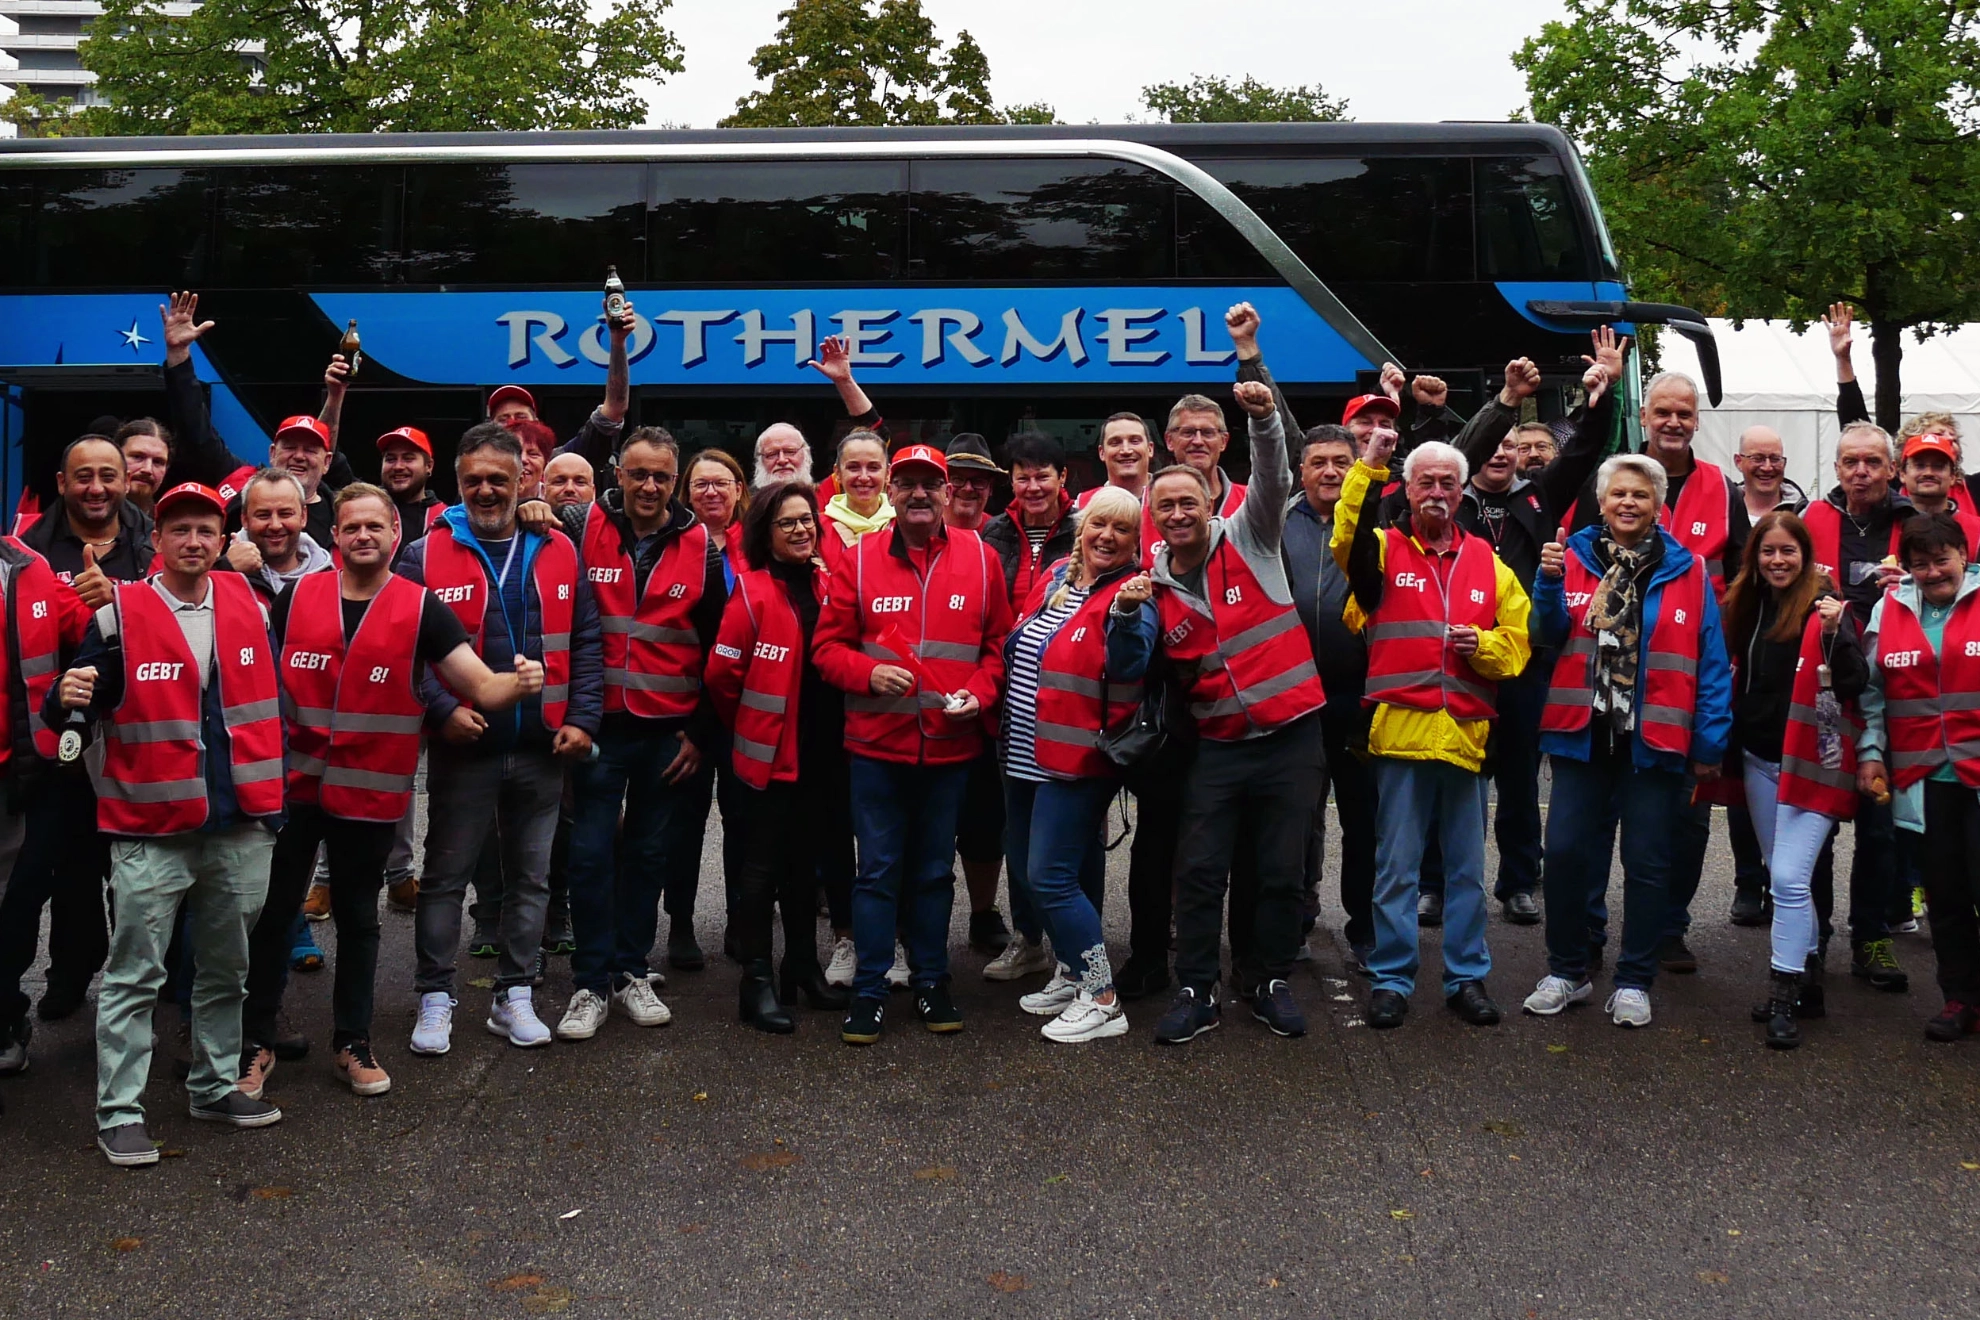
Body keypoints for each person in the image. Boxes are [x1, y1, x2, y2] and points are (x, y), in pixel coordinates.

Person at [245, 484, 543, 1096]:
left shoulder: (422, 608)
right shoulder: (296, 598)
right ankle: (255, 1043)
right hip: (292, 793)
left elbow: (482, 689)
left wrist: (523, 683)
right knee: (272, 917)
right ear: (334, 537)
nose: (363, 536)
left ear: (394, 536)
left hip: (368, 799)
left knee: (358, 920)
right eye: (351, 527)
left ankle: (352, 1043)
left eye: (374, 527)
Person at [50, 482, 288, 1165]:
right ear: (156, 540)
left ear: (223, 540)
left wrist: (271, 814)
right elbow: (71, 706)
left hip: (240, 822)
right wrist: (59, 701)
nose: (193, 540)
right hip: (150, 829)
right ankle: (120, 1113)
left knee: (224, 970)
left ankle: (213, 1086)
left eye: (205, 530)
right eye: (178, 528)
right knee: (135, 978)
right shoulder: (118, 613)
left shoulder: (254, 603)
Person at [396, 425, 603, 1054]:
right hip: (465, 744)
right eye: (472, 480)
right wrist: (439, 712)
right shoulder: (421, 554)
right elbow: (405, 652)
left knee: (531, 878)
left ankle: (515, 993)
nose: (486, 490)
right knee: (444, 878)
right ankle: (435, 997)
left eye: (500, 479)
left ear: (525, 482)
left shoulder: (561, 548)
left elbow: (589, 642)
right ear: (456, 484)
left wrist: (583, 719)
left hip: (543, 745)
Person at [1523, 454, 1732, 1029]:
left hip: (1654, 741)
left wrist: (1710, 742)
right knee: (1564, 855)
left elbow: (1710, 661)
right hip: (1581, 737)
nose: (1629, 504)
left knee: (1646, 865)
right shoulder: (1569, 558)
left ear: (1659, 504)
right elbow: (1545, 635)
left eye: (1641, 495)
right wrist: (1545, 585)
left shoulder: (1687, 570)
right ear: (1602, 500)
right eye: (1618, 494)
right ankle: (1567, 971)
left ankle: (1635, 979)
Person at [1147, 377, 1326, 1045]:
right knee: (1198, 871)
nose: (1178, 513)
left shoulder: (1251, 538)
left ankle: (1268, 979)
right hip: (1219, 746)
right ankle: (1196, 988)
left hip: (1291, 736)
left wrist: (1265, 419)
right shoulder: (1154, 589)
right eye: (1165, 505)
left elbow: (1276, 475)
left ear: (1210, 502)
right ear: (1154, 515)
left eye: (1188, 501)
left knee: (1281, 869)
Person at [814, 443, 1012, 1045]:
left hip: (949, 749)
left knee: (931, 874)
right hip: (878, 747)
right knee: (875, 874)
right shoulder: (859, 559)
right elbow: (826, 649)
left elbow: (998, 647)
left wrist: (980, 692)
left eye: (932, 483)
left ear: (948, 493)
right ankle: (870, 991)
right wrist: (867, 673)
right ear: (891, 494)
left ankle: (932, 980)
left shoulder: (982, 559)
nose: (920, 493)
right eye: (908, 484)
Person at [1423, 336, 1624, 927]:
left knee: (1517, 779)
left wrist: (1602, 394)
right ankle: (1433, 885)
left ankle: (1518, 883)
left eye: (1513, 446)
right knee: (1450, 774)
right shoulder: (1448, 503)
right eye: (1494, 444)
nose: (1501, 453)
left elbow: (1585, 449)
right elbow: (1454, 448)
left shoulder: (1538, 497)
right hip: (1456, 658)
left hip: (1524, 660)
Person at [1338, 433, 1532, 1029]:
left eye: (1449, 482)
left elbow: (1519, 645)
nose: (1438, 492)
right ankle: (1392, 978)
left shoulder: (1489, 565)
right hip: (1399, 736)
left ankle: (1466, 977)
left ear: (1461, 491)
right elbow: (1345, 535)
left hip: (1466, 738)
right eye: (1427, 481)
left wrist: (1488, 646)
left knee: (1467, 872)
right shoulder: (1379, 550)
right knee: (1396, 868)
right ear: (1409, 488)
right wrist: (1368, 466)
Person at [546, 426, 725, 1038]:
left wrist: (701, 731)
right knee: (591, 855)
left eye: (662, 477)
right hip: (597, 726)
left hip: (668, 731)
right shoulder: (578, 525)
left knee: (650, 854)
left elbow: (720, 648)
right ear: (617, 474)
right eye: (638, 473)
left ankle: (630, 972)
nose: (649, 486)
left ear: (675, 483)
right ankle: (590, 985)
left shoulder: (702, 545)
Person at [997, 486, 1156, 1042]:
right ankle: (1072, 970)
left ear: (1137, 541)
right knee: (1030, 869)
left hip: (1077, 759)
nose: (1107, 537)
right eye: (1098, 525)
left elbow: (1131, 665)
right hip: (1023, 752)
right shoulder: (1059, 575)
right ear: (1081, 528)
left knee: (1051, 877)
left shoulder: (1132, 593)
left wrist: (1129, 615)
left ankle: (1103, 997)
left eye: (1122, 529)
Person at [10, 437, 155, 1024]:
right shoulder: (29, 552)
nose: (96, 488)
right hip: (60, 744)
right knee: (69, 870)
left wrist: (117, 599)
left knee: (139, 877)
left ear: (126, 481)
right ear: (62, 482)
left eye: (107, 476)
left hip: (141, 739)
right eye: (83, 477)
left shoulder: (153, 541)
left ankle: (145, 986)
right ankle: (71, 974)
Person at [705, 481, 851, 1031]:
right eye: (787, 522)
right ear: (766, 533)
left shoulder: (828, 584)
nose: (801, 530)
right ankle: (757, 981)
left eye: (806, 520)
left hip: (825, 752)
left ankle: (803, 969)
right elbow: (722, 675)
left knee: (802, 868)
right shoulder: (751, 590)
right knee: (760, 871)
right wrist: (750, 725)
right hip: (769, 757)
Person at [1719, 510, 1866, 1049]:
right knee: (1786, 880)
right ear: (1754, 558)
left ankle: (1783, 995)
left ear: (1805, 557)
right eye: (1767, 551)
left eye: (1788, 552)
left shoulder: (1825, 609)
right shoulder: (1747, 606)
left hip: (1813, 763)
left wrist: (1835, 635)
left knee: (1785, 880)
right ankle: (1810, 985)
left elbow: (1855, 680)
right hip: (1759, 761)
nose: (1777, 561)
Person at [1795, 420, 1913, 992]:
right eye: (1850, 462)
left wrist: (1909, 581)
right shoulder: (1810, 521)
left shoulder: (1916, 524)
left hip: (1891, 693)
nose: (1860, 472)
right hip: (1825, 686)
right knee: (1817, 819)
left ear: (1892, 468)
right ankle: (1811, 936)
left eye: (1872, 462)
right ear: (1836, 468)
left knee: (1880, 824)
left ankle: (1872, 936)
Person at [1857, 513, 1980, 1043]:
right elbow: (1870, 692)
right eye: (1921, 564)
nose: (1933, 573)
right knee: (1946, 896)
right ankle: (1960, 997)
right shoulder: (1890, 609)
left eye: (1942, 560)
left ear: (1964, 556)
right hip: (1925, 779)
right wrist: (1870, 753)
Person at [1280, 424, 1377, 973]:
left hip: (1361, 699)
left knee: (1365, 820)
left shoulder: (1374, 517)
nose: (1331, 472)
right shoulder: (1277, 520)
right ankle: (1295, 921)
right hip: (1296, 698)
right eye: (1319, 462)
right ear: (1302, 470)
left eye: (1341, 461)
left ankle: (1364, 928)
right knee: (1297, 818)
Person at [0, 529, 92, 1088]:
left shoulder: (28, 566)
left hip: (19, 774)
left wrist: (111, 600)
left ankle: (7, 1019)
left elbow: (88, 630)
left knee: (14, 904)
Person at [225, 468, 333, 600]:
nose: (275, 525)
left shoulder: (330, 581)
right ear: (245, 519)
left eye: (285, 514)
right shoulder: (220, 574)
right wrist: (226, 569)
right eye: (263, 515)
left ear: (303, 516)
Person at [819, 430, 892, 567]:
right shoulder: (817, 529)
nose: (864, 477)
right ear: (838, 473)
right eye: (853, 468)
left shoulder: (904, 526)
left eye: (873, 468)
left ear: (888, 473)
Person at [686, 448, 750, 584]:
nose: (711, 492)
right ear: (689, 493)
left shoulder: (758, 540)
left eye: (721, 483)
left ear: (738, 490)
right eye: (701, 484)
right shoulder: (673, 543)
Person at [378, 426, 446, 549]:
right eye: (391, 459)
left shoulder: (444, 519)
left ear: (429, 466)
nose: (398, 466)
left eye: (408, 458)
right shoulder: (366, 511)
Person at [1075, 413, 1156, 507]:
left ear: (1150, 449)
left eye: (1135, 441)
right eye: (1115, 443)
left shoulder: (1173, 496)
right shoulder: (1084, 505)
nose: (1126, 451)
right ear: (1102, 453)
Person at [1733, 426, 1806, 524]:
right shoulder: (1723, 514)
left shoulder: (1804, 516)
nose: (1767, 467)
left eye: (1775, 459)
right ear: (1739, 462)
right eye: (1757, 458)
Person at [942, 435, 1003, 535]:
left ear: (990, 488)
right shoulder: (922, 529)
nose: (968, 488)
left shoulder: (1002, 535)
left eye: (978, 481)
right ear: (943, 485)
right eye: (957, 479)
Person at [753, 424, 813, 488]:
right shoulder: (750, 498)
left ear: (806, 454)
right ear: (759, 460)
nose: (782, 460)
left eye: (790, 452)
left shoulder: (821, 496)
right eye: (772, 454)